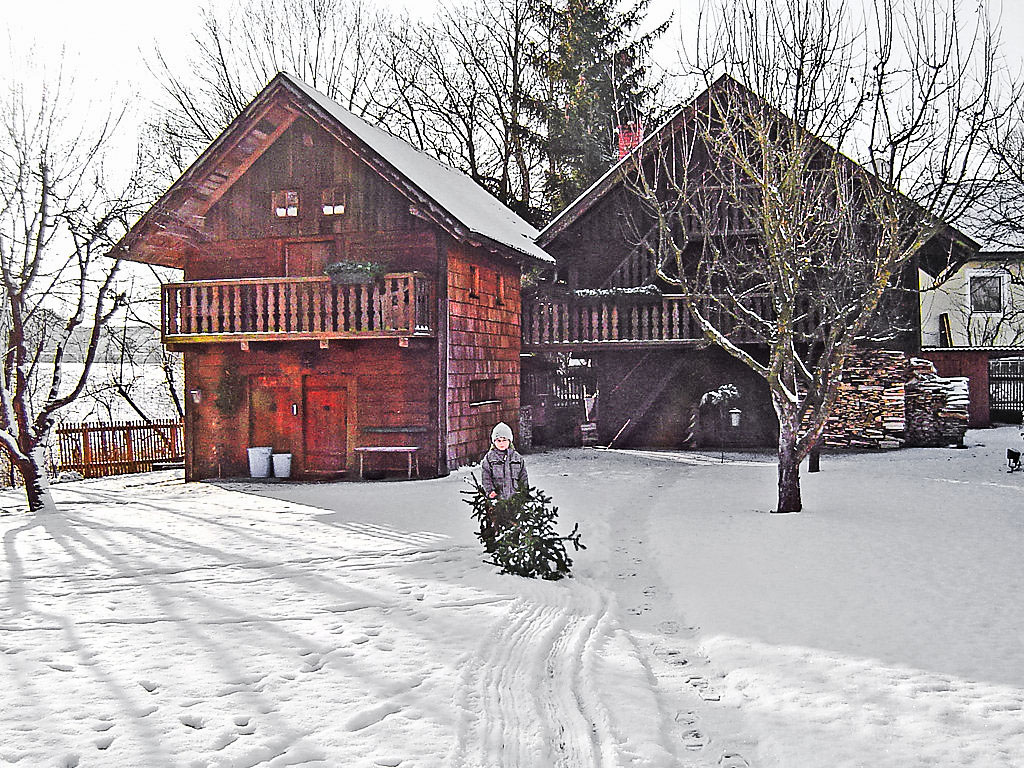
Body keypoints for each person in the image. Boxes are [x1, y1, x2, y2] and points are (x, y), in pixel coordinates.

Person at [481, 422, 529, 500]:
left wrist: (524, 492)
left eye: (504, 440)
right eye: (498, 440)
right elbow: (486, 476)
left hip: (515, 499)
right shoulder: (489, 458)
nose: (501, 443)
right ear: (494, 442)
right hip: (498, 499)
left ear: (509, 441)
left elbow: (523, 476)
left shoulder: (517, 458)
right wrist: (490, 491)